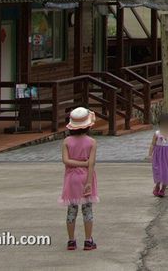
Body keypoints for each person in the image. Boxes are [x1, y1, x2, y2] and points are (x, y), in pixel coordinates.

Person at [60, 106, 98, 251]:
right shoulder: (92, 142)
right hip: (86, 178)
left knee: (72, 209)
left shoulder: (66, 141)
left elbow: (66, 161)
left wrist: (78, 163)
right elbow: (91, 164)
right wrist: (88, 182)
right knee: (87, 210)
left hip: (71, 179)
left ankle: (71, 241)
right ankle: (88, 241)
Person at [148, 112, 168, 196]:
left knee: (166, 172)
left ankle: (163, 188)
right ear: (160, 124)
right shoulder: (157, 134)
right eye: (163, 124)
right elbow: (152, 144)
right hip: (158, 156)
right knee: (158, 171)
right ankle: (157, 186)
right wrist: (150, 154)